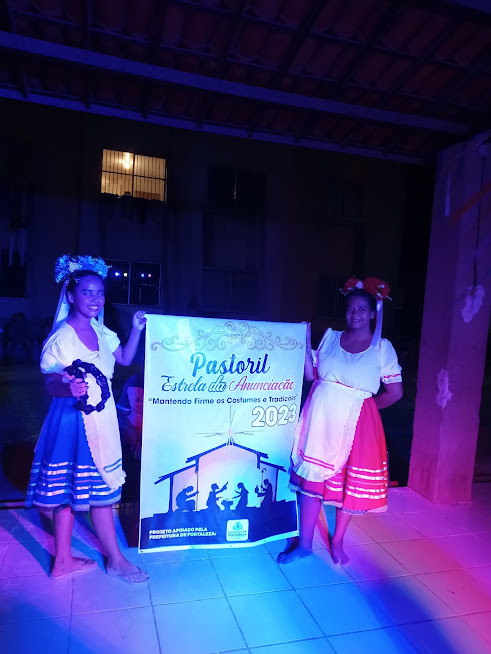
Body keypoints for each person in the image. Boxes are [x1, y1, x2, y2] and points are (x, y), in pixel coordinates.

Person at [25, 254, 149, 584]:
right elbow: (50, 382)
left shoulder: (100, 330)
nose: (94, 299)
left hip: (101, 418)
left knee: (90, 490)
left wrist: (137, 330)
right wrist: (67, 388)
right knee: (81, 492)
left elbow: (124, 358)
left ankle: (65, 560)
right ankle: (112, 560)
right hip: (73, 421)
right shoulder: (62, 338)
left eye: (99, 293)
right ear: (70, 296)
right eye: (87, 293)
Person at [278, 277, 403, 566]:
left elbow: (395, 393)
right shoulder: (331, 338)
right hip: (320, 418)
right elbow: (311, 375)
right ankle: (305, 545)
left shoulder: (381, 348)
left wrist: (365, 411)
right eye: (350, 309)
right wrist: (305, 344)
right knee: (312, 482)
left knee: (347, 485)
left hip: (355, 425)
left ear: (372, 313)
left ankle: (337, 541)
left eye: (362, 309)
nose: (355, 314)